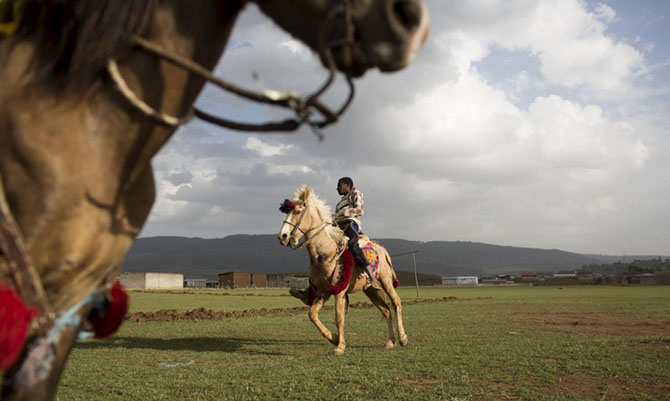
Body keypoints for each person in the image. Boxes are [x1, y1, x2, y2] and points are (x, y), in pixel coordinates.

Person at [332, 177, 380, 289]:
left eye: (340, 185)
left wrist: (342, 212)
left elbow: (360, 210)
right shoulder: (340, 203)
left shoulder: (355, 194)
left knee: (353, 245)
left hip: (350, 223)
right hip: (338, 226)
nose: (337, 188)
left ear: (347, 185)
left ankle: (371, 276)